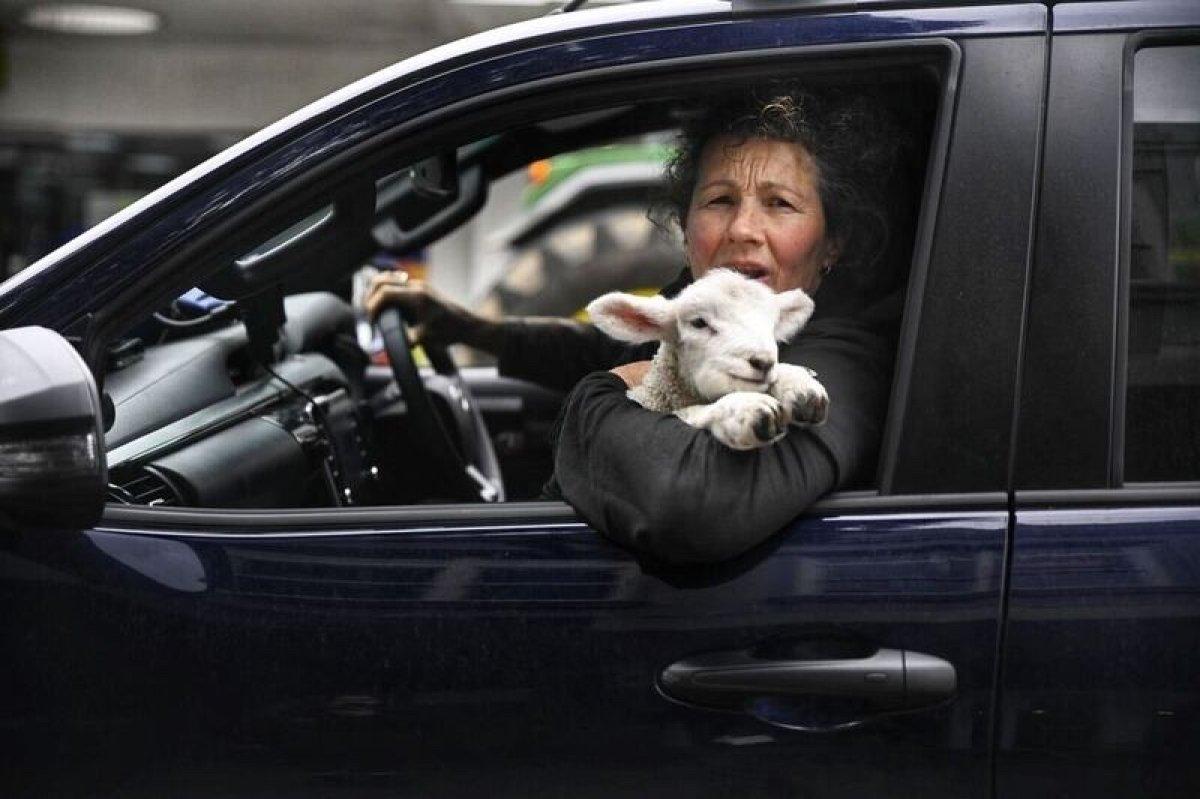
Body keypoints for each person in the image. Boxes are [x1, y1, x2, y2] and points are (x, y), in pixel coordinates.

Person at [366, 86, 915, 563]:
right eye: (720, 200)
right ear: (685, 224)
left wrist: (598, 396)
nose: (742, 228)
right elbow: (611, 349)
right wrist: (472, 330)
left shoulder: (845, 362)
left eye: (781, 204)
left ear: (832, 244)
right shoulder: (708, 304)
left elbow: (691, 505)